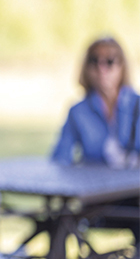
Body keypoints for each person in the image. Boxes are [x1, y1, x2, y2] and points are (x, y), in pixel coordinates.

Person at [52, 35, 140, 168]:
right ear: (86, 67)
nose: (101, 68)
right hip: (97, 187)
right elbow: (60, 158)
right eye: (94, 61)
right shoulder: (78, 112)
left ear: (122, 66)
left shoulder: (137, 105)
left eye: (109, 61)